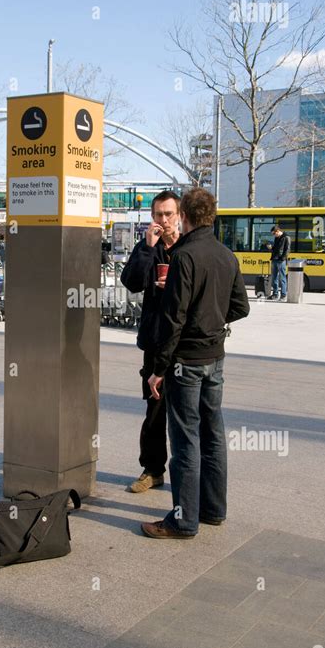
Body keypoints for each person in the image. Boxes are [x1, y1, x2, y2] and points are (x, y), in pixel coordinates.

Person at [141, 187, 250, 539]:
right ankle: (214, 510)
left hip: (185, 361)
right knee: (213, 434)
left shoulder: (184, 257)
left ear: (184, 216)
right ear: (213, 216)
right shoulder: (226, 255)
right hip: (215, 357)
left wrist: (159, 368)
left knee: (186, 440)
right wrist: (212, 320)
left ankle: (184, 520)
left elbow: (173, 319)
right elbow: (241, 307)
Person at [120, 190, 181, 493]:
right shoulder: (148, 247)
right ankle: (152, 470)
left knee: (185, 412)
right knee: (154, 412)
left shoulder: (187, 247)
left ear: (179, 215)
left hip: (183, 343)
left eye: (168, 214)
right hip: (156, 341)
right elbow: (131, 282)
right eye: (158, 214)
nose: (163, 220)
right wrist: (147, 248)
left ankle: (187, 477)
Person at [269, 225, 290, 301]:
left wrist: (282, 259)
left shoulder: (286, 237)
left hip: (281, 260)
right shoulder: (277, 238)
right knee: (274, 277)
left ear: (277, 231)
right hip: (274, 259)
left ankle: (283, 295)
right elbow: (276, 248)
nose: (274, 235)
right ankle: (275, 294)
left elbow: (287, 250)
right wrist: (271, 248)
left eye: (274, 233)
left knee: (282, 278)